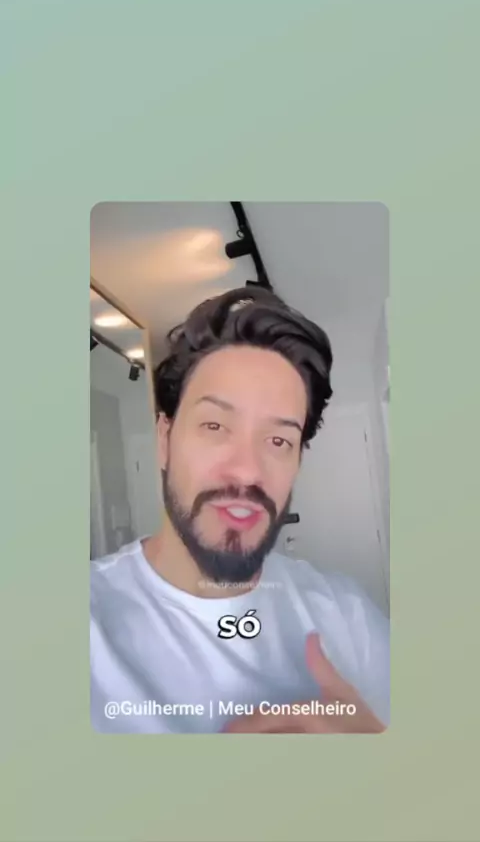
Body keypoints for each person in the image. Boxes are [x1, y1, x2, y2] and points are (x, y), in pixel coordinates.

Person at [90, 285, 389, 734]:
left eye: (279, 440)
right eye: (215, 426)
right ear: (164, 440)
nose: (248, 471)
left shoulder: (347, 616)